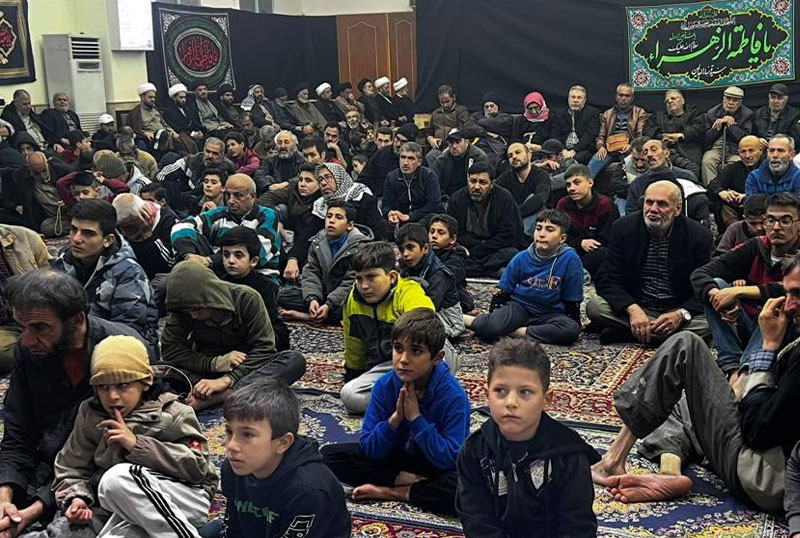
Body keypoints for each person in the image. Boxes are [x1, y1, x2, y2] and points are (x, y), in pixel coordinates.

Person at [592, 254, 800, 513]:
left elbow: (757, 431)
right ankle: (670, 472)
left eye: (797, 294)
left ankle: (612, 461)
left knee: (686, 347)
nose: (789, 305)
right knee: (681, 403)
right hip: (772, 466)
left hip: (764, 477)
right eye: (787, 293)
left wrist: (766, 350)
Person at [0, 269, 145, 536]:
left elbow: (113, 454)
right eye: (22, 327)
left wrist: (36, 508)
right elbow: (18, 431)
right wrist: (6, 493)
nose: (26, 339)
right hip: (45, 460)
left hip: (95, 478)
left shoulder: (121, 352)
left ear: (77, 320)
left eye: (40, 328)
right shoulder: (29, 349)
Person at [49, 335, 218, 538]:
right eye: (103, 387)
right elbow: (71, 465)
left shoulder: (174, 413)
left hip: (185, 497)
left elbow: (198, 466)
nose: (112, 396)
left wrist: (136, 445)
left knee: (115, 479)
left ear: (145, 382)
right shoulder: (91, 414)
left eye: (122, 385)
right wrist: (76, 497)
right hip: (127, 503)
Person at [323, 309, 468, 515]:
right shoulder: (384, 386)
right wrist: (395, 420)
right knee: (329, 456)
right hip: (396, 460)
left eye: (416, 351)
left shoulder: (453, 395)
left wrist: (416, 420)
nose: (403, 359)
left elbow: (450, 458)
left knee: (467, 486)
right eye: (398, 348)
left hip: (434, 464)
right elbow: (369, 448)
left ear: (436, 357)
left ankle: (394, 492)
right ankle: (408, 482)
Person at [457, 338, 599, 537]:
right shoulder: (474, 451)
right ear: (487, 395)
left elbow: (577, 527)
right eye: (500, 391)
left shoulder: (569, 454)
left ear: (546, 400)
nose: (511, 402)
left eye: (525, 392)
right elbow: (477, 522)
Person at [162, 261, 306, 410]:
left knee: (294, 360)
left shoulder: (247, 298)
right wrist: (213, 363)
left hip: (246, 369)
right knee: (158, 368)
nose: (193, 316)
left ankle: (224, 395)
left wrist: (228, 379)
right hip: (205, 371)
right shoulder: (183, 308)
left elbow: (264, 349)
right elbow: (170, 350)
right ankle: (223, 391)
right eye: (188, 311)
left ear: (210, 296)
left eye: (197, 309)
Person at [220, 380, 351, 537]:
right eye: (229, 432)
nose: (232, 446)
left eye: (247, 434)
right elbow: (233, 527)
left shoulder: (308, 491)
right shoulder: (233, 468)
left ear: (282, 443)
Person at [586, 181, 712, 344]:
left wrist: (680, 314)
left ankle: (630, 333)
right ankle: (663, 335)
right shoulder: (624, 228)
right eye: (649, 202)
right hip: (638, 305)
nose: (653, 209)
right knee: (595, 307)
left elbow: (703, 286)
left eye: (662, 204)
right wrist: (632, 309)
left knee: (711, 322)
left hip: (677, 307)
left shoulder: (699, 236)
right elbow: (606, 278)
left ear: (677, 209)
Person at [691, 192, 800, 378]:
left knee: (779, 304)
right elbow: (700, 274)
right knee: (716, 285)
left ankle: (747, 372)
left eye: (785, 220)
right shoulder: (756, 246)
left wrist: (739, 292)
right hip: (745, 323)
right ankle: (733, 369)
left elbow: (786, 289)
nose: (776, 227)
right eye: (770, 220)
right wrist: (718, 296)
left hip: (783, 333)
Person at [51, 199, 159, 357]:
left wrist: (78, 328)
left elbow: (128, 331)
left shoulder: (128, 273)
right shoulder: (63, 262)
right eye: (74, 230)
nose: (76, 239)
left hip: (126, 347)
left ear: (108, 240)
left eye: (88, 233)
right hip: (74, 338)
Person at [340, 241, 437, 414]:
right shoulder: (353, 301)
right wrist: (355, 376)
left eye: (371, 277)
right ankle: (414, 399)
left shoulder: (409, 292)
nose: (364, 286)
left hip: (423, 359)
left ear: (391, 277)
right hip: (390, 367)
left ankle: (421, 393)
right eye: (359, 278)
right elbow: (353, 344)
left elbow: (426, 330)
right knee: (350, 395)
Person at [464, 209, 583, 345]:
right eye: (538, 228)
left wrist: (574, 322)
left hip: (551, 313)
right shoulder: (522, 257)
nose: (542, 234)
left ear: (562, 238)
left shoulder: (570, 259)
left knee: (570, 331)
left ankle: (516, 332)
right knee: (490, 327)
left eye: (549, 230)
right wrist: (496, 317)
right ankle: (465, 319)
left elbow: (573, 298)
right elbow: (502, 290)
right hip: (520, 307)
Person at [171, 174, 282, 280]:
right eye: (228, 195)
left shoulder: (267, 215)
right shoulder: (219, 213)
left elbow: (256, 251)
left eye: (238, 196)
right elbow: (181, 226)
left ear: (252, 197)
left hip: (259, 277)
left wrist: (209, 260)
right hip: (222, 275)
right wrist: (189, 255)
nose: (230, 201)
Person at [277, 202, 370, 323]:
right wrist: (312, 299)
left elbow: (351, 281)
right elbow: (311, 272)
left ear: (349, 225)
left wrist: (329, 305)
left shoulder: (359, 247)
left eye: (338, 217)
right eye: (329, 216)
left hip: (344, 298)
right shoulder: (318, 242)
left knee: (355, 309)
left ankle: (306, 316)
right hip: (323, 294)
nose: (331, 221)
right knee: (283, 296)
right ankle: (318, 312)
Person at [219, 226, 290, 351]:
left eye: (238, 255)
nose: (231, 261)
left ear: (253, 261)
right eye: (226, 255)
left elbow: (266, 324)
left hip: (257, 336)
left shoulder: (265, 286)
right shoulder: (219, 283)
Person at [447, 161, 523, 277]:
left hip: (493, 249)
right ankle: (489, 270)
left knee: (512, 253)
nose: (476, 187)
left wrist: (483, 246)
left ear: (492, 184)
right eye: (473, 181)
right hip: (468, 249)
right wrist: (475, 245)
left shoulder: (504, 198)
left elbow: (510, 234)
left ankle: (476, 269)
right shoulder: (457, 199)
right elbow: (453, 232)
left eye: (483, 182)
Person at [396, 223, 465, 338]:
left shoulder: (438, 274)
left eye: (410, 247)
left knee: (411, 330)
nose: (405, 254)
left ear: (425, 248)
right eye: (401, 249)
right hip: (419, 308)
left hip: (447, 320)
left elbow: (428, 309)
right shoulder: (407, 264)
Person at [112, 193, 177, 312]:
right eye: (121, 227)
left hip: (159, 275)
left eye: (129, 226)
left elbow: (170, 262)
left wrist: (148, 237)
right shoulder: (119, 225)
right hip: (130, 272)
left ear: (142, 217)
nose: (124, 233)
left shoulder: (167, 220)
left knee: (160, 283)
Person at [626, 138, 711, 227]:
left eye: (654, 150)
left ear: (666, 153)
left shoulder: (686, 176)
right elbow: (631, 212)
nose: (649, 154)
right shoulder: (638, 183)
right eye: (645, 152)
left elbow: (698, 208)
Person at [0, 224, 50, 373]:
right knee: (4, 354)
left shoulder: (25, 237)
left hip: (40, 313)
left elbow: (54, 281)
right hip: (4, 325)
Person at [260, 162, 323, 280]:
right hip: (289, 233)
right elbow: (266, 198)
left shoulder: (322, 202)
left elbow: (309, 233)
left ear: (319, 183)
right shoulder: (293, 190)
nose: (302, 184)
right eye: (301, 179)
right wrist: (277, 220)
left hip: (308, 239)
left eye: (308, 181)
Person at [556, 164, 619, 277]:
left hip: (596, 254)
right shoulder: (562, 204)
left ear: (590, 183)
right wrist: (580, 243)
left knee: (601, 253)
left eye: (577, 183)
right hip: (571, 250)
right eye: (568, 185)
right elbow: (558, 236)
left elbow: (608, 241)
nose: (571, 188)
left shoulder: (606, 205)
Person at [312, 161, 388, 240]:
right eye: (320, 180)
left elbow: (378, 234)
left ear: (340, 178)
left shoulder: (363, 199)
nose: (323, 183)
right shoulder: (320, 206)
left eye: (328, 177)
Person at [2, 151, 71, 236]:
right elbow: (6, 198)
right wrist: (15, 206)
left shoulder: (63, 171)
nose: (42, 175)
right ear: (29, 168)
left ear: (47, 162)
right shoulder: (21, 176)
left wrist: (68, 201)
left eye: (44, 171)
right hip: (53, 218)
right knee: (46, 228)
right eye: (37, 173)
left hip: (71, 212)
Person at [588, 83, 647, 179]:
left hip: (630, 149)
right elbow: (601, 136)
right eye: (621, 95)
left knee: (631, 168)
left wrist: (632, 146)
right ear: (616, 96)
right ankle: (586, 186)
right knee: (594, 163)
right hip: (609, 149)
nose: (623, 98)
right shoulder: (607, 114)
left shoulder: (640, 113)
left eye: (627, 96)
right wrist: (601, 147)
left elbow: (640, 135)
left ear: (632, 98)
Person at [707, 135, 764, 229]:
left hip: (762, 209)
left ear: (761, 151)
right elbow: (713, 184)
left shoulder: (769, 168)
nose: (747, 156)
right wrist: (722, 192)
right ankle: (735, 231)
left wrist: (747, 196)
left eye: (751, 151)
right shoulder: (734, 168)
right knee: (720, 202)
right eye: (743, 152)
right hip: (738, 210)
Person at [496, 142, 551, 237]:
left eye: (518, 152)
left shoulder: (541, 175)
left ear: (529, 155)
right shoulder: (505, 177)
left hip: (538, 221)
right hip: (512, 221)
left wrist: (514, 214)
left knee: (533, 199)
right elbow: (493, 194)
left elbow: (540, 199)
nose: (514, 157)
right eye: (510, 156)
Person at [702, 86, 754, 185]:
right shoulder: (712, 113)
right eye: (728, 99)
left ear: (740, 102)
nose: (730, 103)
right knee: (707, 161)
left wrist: (731, 126)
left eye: (735, 100)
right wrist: (718, 126)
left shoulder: (747, 115)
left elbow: (745, 138)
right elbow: (706, 138)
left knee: (738, 162)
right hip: (716, 148)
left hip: (735, 150)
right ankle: (711, 189)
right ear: (723, 99)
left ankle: (734, 190)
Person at [383, 142, 444, 225]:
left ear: (419, 162)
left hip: (424, 217)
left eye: (411, 158)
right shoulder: (391, 177)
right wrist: (390, 214)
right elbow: (386, 205)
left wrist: (409, 217)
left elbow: (433, 205)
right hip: (401, 218)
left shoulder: (428, 176)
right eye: (403, 157)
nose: (405, 163)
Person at [644, 89, 705, 167]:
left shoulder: (693, 113)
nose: (669, 101)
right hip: (662, 151)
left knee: (692, 167)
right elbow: (647, 130)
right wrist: (662, 137)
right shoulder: (657, 116)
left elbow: (699, 129)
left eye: (673, 98)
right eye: (667, 101)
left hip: (687, 148)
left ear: (682, 101)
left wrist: (680, 135)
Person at [428, 213, 474, 312]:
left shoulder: (458, 253)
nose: (434, 236)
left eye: (441, 233)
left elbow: (450, 275)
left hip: (451, 295)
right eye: (432, 232)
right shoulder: (425, 250)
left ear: (452, 239)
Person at [357, 123, 418, 198]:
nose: (398, 144)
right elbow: (365, 177)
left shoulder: (416, 160)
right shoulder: (382, 153)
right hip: (376, 196)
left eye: (403, 141)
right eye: (397, 139)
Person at [129, 83, 189, 155]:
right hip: (152, 138)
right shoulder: (136, 112)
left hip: (165, 135)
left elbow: (164, 124)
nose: (153, 99)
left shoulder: (156, 110)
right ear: (142, 97)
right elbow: (135, 129)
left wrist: (172, 131)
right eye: (150, 97)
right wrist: (145, 133)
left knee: (184, 142)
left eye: (154, 97)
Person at [426, 85, 478, 166]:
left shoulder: (461, 111)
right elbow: (429, 131)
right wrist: (430, 139)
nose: (445, 105)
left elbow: (464, 131)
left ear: (454, 97)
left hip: (455, 146)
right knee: (430, 156)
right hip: (438, 147)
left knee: (446, 157)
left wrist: (450, 147)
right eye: (442, 102)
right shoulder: (435, 113)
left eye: (447, 101)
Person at [550, 85, 601, 164]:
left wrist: (574, 151)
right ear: (568, 99)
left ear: (585, 100)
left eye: (579, 98)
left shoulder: (593, 113)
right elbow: (555, 134)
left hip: (583, 149)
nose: (575, 100)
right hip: (563, 148)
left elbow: (590, 135)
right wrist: (563, 150)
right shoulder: (559, 114)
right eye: (573, 97)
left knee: (577, 158)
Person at [433, 128, 490, 198]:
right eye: (451, 142)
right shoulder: (442, 160)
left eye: (458, 142)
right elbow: (435, 185)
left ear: (467, 142)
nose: (454, 146)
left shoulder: (479, 158)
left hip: (472, 197)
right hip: (447, 198)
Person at [472, 91, 514, 167]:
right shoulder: (476, 116)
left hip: (493, 148)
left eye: (492, 106)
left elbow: (494, 123)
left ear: (497, 107)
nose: (489, 109)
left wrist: (479, 123)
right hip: (475, 145)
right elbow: (468, 128)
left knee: (487, 161)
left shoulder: (505, 117)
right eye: (486, 107)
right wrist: (486, 133)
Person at [56, 170, 129, 208]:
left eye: (85, 192)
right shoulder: (74, 205)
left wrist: (104, 181)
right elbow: (60, 183)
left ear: (96, 191)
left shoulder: (105, 204)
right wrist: (86, 173)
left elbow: (124, 190)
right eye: (77, 194)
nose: (81, 197)